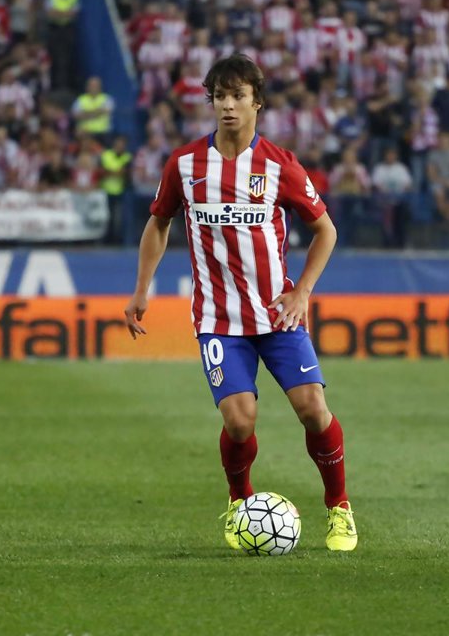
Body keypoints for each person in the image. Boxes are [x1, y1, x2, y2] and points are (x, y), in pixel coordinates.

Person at [123, 54, 358, 552]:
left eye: (238, 96)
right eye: (220, 96)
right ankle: (239, 502)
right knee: (239, 419)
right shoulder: (185, 164)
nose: (227, 106)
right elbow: (158, 223)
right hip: (218, 319)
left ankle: (339, 508)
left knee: (313, 409)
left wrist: (302, 291)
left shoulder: (279, 165)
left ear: (257, 103)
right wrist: (142, 288)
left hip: (277, 313)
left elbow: (325, 230)